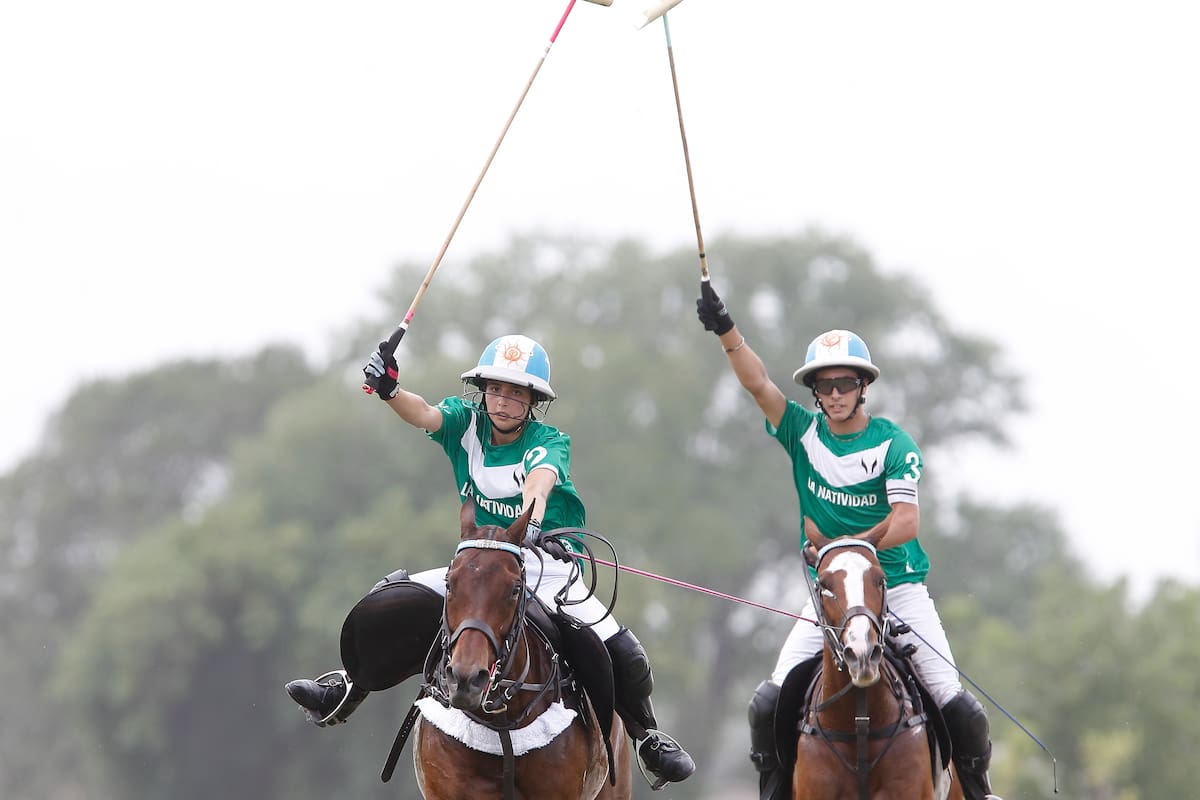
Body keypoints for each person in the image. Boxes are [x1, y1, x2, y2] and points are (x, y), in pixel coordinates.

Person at [285, 333, 695, 788]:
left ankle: (645, 737)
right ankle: (349, 687)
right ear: (482, 391)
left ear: (532, 401)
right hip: (479, 560)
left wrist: (532, 522)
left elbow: (538, 480)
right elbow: (423, 413)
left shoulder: (549, 440)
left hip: (546, 563)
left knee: (621, 647)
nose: (502, 402)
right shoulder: (466, 423)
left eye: (516, 393)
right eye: (496, 389)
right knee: (393, 599)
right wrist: (390, 391)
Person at [695, 283, 1001, 800]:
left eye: (844, 383)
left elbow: (905, 521)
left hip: (896, 589)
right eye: (825, 385)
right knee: (767, 704)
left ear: (863, 386)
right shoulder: (801, 433)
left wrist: (850, 545)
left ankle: (978, 790)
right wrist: (725, 327)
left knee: (958, 704)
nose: (834, 394)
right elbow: (759, 385)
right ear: (815, 391)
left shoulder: (892, 443)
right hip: (831, 598)